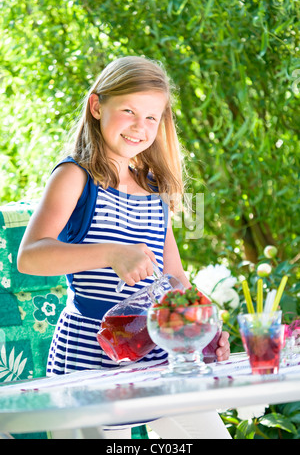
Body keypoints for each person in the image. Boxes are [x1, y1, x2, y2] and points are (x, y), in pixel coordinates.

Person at [17, 56, 230, 376]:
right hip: (88, 354)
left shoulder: (154, 187)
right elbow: (29, 258)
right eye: (128, 111)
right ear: (97, 107)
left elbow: (174, 279)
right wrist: (112, 253)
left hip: (156, 350)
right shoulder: (76, 177)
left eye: (151, 117)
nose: (139, 127)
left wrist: (203, 330)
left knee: (208, 429)